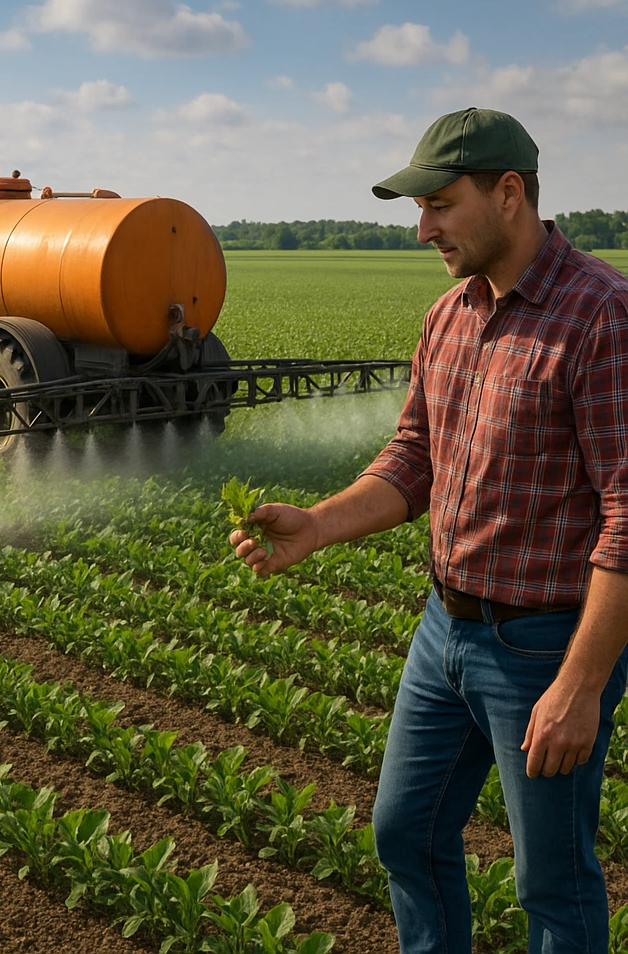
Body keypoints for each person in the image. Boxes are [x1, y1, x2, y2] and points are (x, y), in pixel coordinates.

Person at [230, 107, 628, 953]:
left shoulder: (602, 317)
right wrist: (318, 524)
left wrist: (581, 685)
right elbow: (416, 457)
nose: (423, 230)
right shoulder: (449, 316)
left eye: (440, 205)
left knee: (552, 884)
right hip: (443, 629)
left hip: (543, 645)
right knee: (405, 835)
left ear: (508, 193)